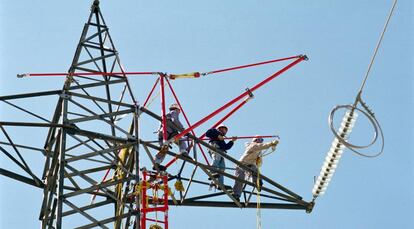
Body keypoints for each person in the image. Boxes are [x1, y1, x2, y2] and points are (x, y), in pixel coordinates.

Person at [232, 136, 279, 201]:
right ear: (255, 140)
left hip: (250, 165)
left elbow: (261, 150)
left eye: (261, 140)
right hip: (241, 164)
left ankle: (257, 182)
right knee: (240, 178)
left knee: (255, 169)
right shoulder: (253, 146)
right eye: (260, 140)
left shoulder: (259, 150)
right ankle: (236, 194)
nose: (261, 141)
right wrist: (271, 143)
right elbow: (262, 146)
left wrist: (272, 146)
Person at [154, 103, 188, 171]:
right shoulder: (174, 112)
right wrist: (183, 130)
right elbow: (175, 120)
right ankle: (183, 152)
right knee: (181, 140)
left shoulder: (166, 115)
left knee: (164, 149)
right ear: (177, 109)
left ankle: (156, 163)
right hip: (170, 133)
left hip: (162, 134)